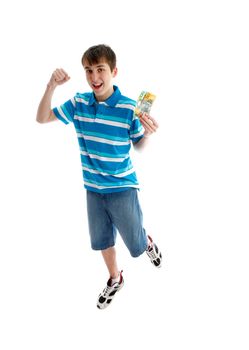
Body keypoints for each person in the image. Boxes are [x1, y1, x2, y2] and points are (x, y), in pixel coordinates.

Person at [36, 44, 162, 309]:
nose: (94, 77)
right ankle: (115, 278)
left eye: (101, 70)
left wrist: (147, 134)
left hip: (123, 187)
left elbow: (139, 145)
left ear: (114, 71)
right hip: (93, 189)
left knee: (135, 243)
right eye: (89, 71)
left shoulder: (129, 108)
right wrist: (51, 85)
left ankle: (146, 240)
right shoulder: (79, 103)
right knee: (102, 240)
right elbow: (42, 117)